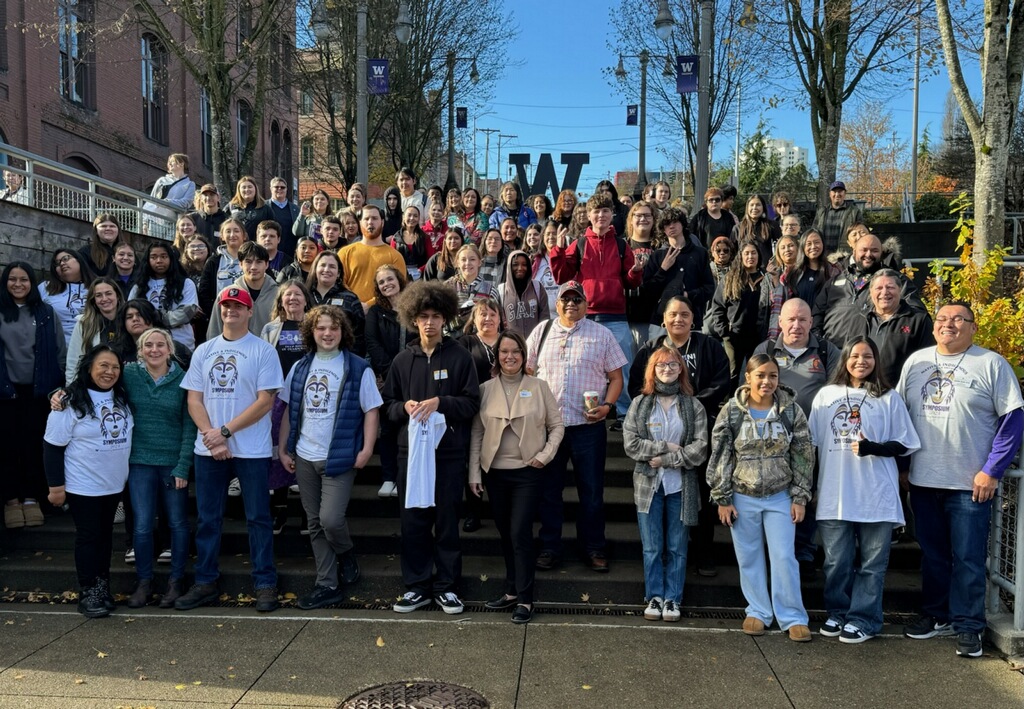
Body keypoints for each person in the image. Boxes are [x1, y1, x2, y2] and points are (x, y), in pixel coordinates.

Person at [897, 302, 1024, 657]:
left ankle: (969, 625)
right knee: (933, 555)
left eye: (957, 319)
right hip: (923, 481)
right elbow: (902, 418)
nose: (947, 324)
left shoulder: (990, 364)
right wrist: (904, 466)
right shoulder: (916, 362)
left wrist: (992, 470)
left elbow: (1013, 419)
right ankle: (937, 616)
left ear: (973, 327)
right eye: (941, 319)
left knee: (968, 558)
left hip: (970, 484)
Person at [176, 286, 283, 613]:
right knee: (208, 519)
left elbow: (266, 401)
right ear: (219, 311)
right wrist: (211, 435)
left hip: (251, 450)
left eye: (239, 306)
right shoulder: (204, 351)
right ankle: (205, 582)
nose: (231, 310)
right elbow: (193, 399)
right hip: (208, 449)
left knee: (258, 518)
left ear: (250, 312)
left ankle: (265, 583)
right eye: (226, 306)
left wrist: (224, 432)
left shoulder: (263, 351)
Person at [809, 336, 921, 643]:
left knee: (871, 565)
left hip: (876, 495)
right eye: (855, 355)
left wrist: (876, 448)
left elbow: (905, 442)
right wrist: (809, 487)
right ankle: (838, 613)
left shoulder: (888, 398)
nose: (861, 361)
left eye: (868, 356)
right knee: (836, 562)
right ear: (845, 359)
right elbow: (812, 445)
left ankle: (865, 619)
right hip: (836, 493)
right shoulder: (826, 395)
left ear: (876, 361)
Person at [381, 280, 480, 614]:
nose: (429, 322)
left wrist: (442, 403)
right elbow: (388, 406)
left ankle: (447, 586)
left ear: (445, 318)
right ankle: (417, 586)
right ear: (413, 318)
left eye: (436, 315)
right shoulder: (401, 360)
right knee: (413, 521)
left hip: (449, 454)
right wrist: (403, 408)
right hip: (410, 454)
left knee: (447, 520)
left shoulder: (460, 356)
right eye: (423, 316)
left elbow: (471, 404)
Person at [279, 305, 382, 610]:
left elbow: (371, 410)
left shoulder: (357, 367)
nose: (327, 333)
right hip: (305, 455)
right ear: (311, 332)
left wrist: (366, 450)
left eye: (333, 328)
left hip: (340, 456)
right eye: (321, 328)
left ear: (343, 332)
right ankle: (327, 584)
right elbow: (289, 409)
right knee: (313, 523)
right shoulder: (300, 367)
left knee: (330, 520)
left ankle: (346, 553)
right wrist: (284, 448)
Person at [707, 354, 814, 641]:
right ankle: (757, 611)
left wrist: (800, 496)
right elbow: (720, 454)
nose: (767, 381)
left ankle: (792, 616)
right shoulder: (732, 411)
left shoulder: (791, 411)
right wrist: (722, 497)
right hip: (743, 495)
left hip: (780, 495)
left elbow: (803, 454)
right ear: (748, 378)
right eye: (761, 375)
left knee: (783, 557)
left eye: (773, 376)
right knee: (749, 556)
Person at [526, 280, 627, 572]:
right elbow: (528, 375)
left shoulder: (602, 334)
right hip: (550, 429)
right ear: (557, 304)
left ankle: (594, 547)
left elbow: (617, 378)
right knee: (549, 492)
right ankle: (550, 547)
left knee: (592, 492)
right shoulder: (541, 332)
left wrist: (608, 406)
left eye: (577, 299)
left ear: (586, 303)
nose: (571, 303)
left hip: (588, 427)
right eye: (565, 299)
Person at [629, 295, 730, 577]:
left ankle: (703, 552)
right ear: (663, 319)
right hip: (659, 434)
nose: (678, 319)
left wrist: (691, 406)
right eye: (673, 314)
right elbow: (637, 387)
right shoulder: (651, 349)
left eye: (684, 314)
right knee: (660, 497)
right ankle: (660, 555)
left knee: (699, 493)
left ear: (693, 318)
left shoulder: (709, 346)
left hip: (698, 433)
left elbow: (722, 382)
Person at [469, 330, 564, 624]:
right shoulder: (485, 389)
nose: (510, 357)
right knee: (505, 534)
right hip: (495, 474)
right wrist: (474, 472)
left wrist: (545, 455)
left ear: (524, 356)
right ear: (497, 357)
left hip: (528, 474)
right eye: (504, 352)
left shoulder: (538, 386)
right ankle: (511, 590)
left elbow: (557, 426)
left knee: (520, 533)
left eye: (516, 352)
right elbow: (477, 433)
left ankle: (525, 599)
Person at [44, 345, 133, 617]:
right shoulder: (69, 402)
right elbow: (52, 446)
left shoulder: (121, 397)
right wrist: (56, 487)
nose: (109, 372)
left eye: (115, 367)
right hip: (83, 485)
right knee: (89, 538)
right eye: (103, 366)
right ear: (89, 368)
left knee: (104, 538)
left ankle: (101, 587)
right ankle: (88, 592)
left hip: (113, 485)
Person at [753, 298, 840, 575]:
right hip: (770, 441)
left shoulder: (826, 351)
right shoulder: (766, 349)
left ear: (811, 322)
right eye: (790, 319)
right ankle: (774, 556)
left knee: (806, 496)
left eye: (802, 319)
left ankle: (803, 554)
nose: (796, 325)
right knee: (773, 496)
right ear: (780, 322)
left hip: (813, 442)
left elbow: (840, 393)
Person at [623, 345, 708, 622]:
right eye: (661, 366)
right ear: (653, 370)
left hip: (680, 486)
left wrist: (667, 459)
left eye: (672, 365)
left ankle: (673, 598)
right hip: (649, 488)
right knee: (652, 546)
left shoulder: (693, 405)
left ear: (681, 368)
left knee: (677, 546)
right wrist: (663, 446)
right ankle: (654, 596)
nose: (667, 370)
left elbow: (700, 448)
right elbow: (631, 445)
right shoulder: (640, 404)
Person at [550, 192, 643, 418]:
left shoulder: (621, 245)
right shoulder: (579, 243)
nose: (601, 215)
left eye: (605, 211)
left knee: (622, 369)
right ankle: (586, 411)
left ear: (612, 215)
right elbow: (562, 276)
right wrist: (558, 250)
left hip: (616, 316)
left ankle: (623, 415)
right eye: (596, 211)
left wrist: (635, 272)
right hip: (586, 317)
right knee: (584, 367)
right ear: (588, 216)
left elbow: (631, 281)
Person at [121, 328, 196, 609]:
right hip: (138, 462)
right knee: (141, 526)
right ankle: (144, 582)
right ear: (140, 350)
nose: (154, 350)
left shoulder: (183, 379)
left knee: (177, 523)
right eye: (148, 345)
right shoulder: (128, 376)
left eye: (160, 345)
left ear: (170, 349)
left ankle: (176, 581)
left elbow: (190, 426)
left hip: (172, 463)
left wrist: (183, 466)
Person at [1, 262, 66, 529]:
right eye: (12, 279)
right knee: (7, 447)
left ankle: (31, 498)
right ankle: (11, 500)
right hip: (5, 392)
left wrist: (60, 385)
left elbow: (60, 351)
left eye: (24, 279)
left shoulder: (46, 312)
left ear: (32, 282)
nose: (18, 284)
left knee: (34, 446)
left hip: (39, 392)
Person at [259, 279, 313, 532]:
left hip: (310, 397)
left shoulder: (314, 325)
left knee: (305, 453)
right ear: (280, 301)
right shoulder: (270, 328)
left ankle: (307, 513)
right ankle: (278, 512)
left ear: (306, 299)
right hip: (277, 398)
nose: (292, 299)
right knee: (276, 453)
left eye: (297, 294)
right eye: (287, 295)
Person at [813, 234, 923, 347]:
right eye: (864, 250)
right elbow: (817, 313)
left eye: (874, 250)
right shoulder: (835, 281)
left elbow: (916, 313)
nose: (868, 254)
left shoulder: (895, 281)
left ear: (882, 254)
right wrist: (819, 340)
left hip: (870, 353)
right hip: (833, 352)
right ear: (854, 252)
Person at [365, 265, 413, 498]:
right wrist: (392, 370)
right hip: (387, 378)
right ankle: (388, 477)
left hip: (415, 375)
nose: (386, 284)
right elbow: (372, 343)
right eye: (381, 282)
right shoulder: (375, 312)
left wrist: (407, 368)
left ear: (399, 280)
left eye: (389, 279)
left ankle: (407, 478)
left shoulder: (415, 307)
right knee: (388, 429)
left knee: (411, 429)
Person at [707, 240, 772, 387]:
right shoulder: (731, 278)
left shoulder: (766, 278)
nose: (750, 256)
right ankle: (726, 403)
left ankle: (752, 401)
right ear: (740, 256)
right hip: (733, 335)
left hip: (758, 335)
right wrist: (724, 331)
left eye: (753, 253)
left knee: (756, 371)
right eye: (747, 253)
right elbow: (718, 305)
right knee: (732, 372)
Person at [643, 206, 716, 337]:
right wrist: (662, 269)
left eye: (675, 222)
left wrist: (688, 295)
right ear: (662, 229)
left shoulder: (700, 254)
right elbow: (648, 291)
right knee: (660, 357)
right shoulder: (657, 256)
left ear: (682, 224)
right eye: (666, 224)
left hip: (692, 320)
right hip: (661, 322)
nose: (671, 226)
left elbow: (709, 288)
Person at [129, 243, 200, 351]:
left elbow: (187, 312)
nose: (159, 261)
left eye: (163, 256)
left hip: (180, 344)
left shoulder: (186, 283)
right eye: (153, 257)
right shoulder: (139, 287)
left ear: (171, 259)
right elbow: (130, 311)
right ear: (147, 260)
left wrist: (157, 318)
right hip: (148, 345)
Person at [339, 205, 408, 308]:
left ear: (382, 222)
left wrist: (368, 305)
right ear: (360, 223)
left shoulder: (395, 256)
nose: (370, 222)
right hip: (351, 310)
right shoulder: (345, 253)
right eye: (366, 219)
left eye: (375, 218)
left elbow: (399, 287)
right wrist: (356, 304)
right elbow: (339, 283)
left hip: (383, 314)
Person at [207, 241, 279, 339]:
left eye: (259, 262)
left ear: (266, 265)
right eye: (248, 262)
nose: (253, 267)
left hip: (269, 351)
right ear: (240, 264)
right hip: (235, 352)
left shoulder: (279, 295)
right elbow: (214, 331)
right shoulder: (226, 294)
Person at [305, 250, 365, 355]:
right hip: (308, 357)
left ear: (338, 273)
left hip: (341, 358)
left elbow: (360, 335)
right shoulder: (304, 296)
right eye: (323, 265)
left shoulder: (350, 298)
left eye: (332, 267)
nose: (326, 269)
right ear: (315, 269)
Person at [66, 278, 124, 382]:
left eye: (108, 293)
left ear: (118, 295)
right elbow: (74, 362)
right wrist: (72, 389)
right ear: (93, 300)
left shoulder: (130, 320)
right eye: (99, 295)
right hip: (96, 384)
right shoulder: (84, 324)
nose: (104, 298)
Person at [40, 248, 95, 345]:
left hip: (93, 348)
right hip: (57, 349)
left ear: (79, 260)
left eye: (65, 258)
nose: (61, 264)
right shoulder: (45, 288)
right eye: (57, 263)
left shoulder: (98, 286)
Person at [198, 216, 247, 317]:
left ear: (244, 235)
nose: (232, 235)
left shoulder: (254, 258)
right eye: (228, 231)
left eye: (236, 231)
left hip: (248, 314)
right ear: (222, 236)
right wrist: (214, 312)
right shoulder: (213, 261)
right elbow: (204, 291)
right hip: (220, 315)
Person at [498, 250, 550, 338]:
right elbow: (499, 324)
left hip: (535, 343)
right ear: (509, 267)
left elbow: (545, 319)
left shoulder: (537, 288)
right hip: (511, 345)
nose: (520, 268)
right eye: (515, 264)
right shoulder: (501, 291)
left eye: (524, 264)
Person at [143, 154, 196, 238]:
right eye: (169, 163)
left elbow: (187, 202)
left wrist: (168, 202)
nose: (170, 164)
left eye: (172, 162)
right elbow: (151, 200)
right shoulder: (161, 181)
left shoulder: (190, 184)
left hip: (174, 221)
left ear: (181, 163)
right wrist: (144, 222)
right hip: (155, 220)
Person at [447, 244, 499, 324]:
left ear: (479, 262)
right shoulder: (447, 287)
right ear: (457, 263)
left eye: (472, 259)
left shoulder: (490, 290)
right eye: (463, 260)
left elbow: (495, 318)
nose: (467, 263)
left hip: (479, 334)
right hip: (453, 335)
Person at [812, 180, 864, 252]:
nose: (837, 194)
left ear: (845, 193)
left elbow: (861, 234)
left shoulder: (854, 212)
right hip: (824, 255)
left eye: (840, 191)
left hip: (845, 255)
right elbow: (814, 231)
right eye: (834, 191)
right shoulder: (821, 212)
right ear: (830, 194)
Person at [732, 195, 781, 269]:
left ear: (763, 208)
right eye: (752, 205)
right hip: (743, 270)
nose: (754, 208)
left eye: (758, 205)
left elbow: (780, 246)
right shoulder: (738, 228)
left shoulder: (772, 225)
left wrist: (773, 263)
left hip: (765, 270)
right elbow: (732, 251)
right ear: (747, 208)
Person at [390, 206, 430, 282]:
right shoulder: (396, 238)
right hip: (401, 277)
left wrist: (420, 270)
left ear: (418, 219)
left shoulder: (425, 238)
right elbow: (392, 260)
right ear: (403, 217)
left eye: (415, 216)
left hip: (421, 278)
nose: (412, 218)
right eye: (409, 215)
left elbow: (430, 259)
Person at [228, 176, 274, 241]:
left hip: (258, 247)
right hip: (237, 246)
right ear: (239, 190)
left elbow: (273, 230)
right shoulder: (231, 206)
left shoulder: (265, 208)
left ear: (255, 189)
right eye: (244, 187)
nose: (247, 190)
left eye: (250, 187)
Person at [265, 177, 300, 257]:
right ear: (271, 189)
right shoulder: (264, 207)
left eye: (282, 187)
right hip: (269, 252)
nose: (279, 189)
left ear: (286, 189)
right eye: (276, 187)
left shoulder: (296, 209)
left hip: (290, 253)